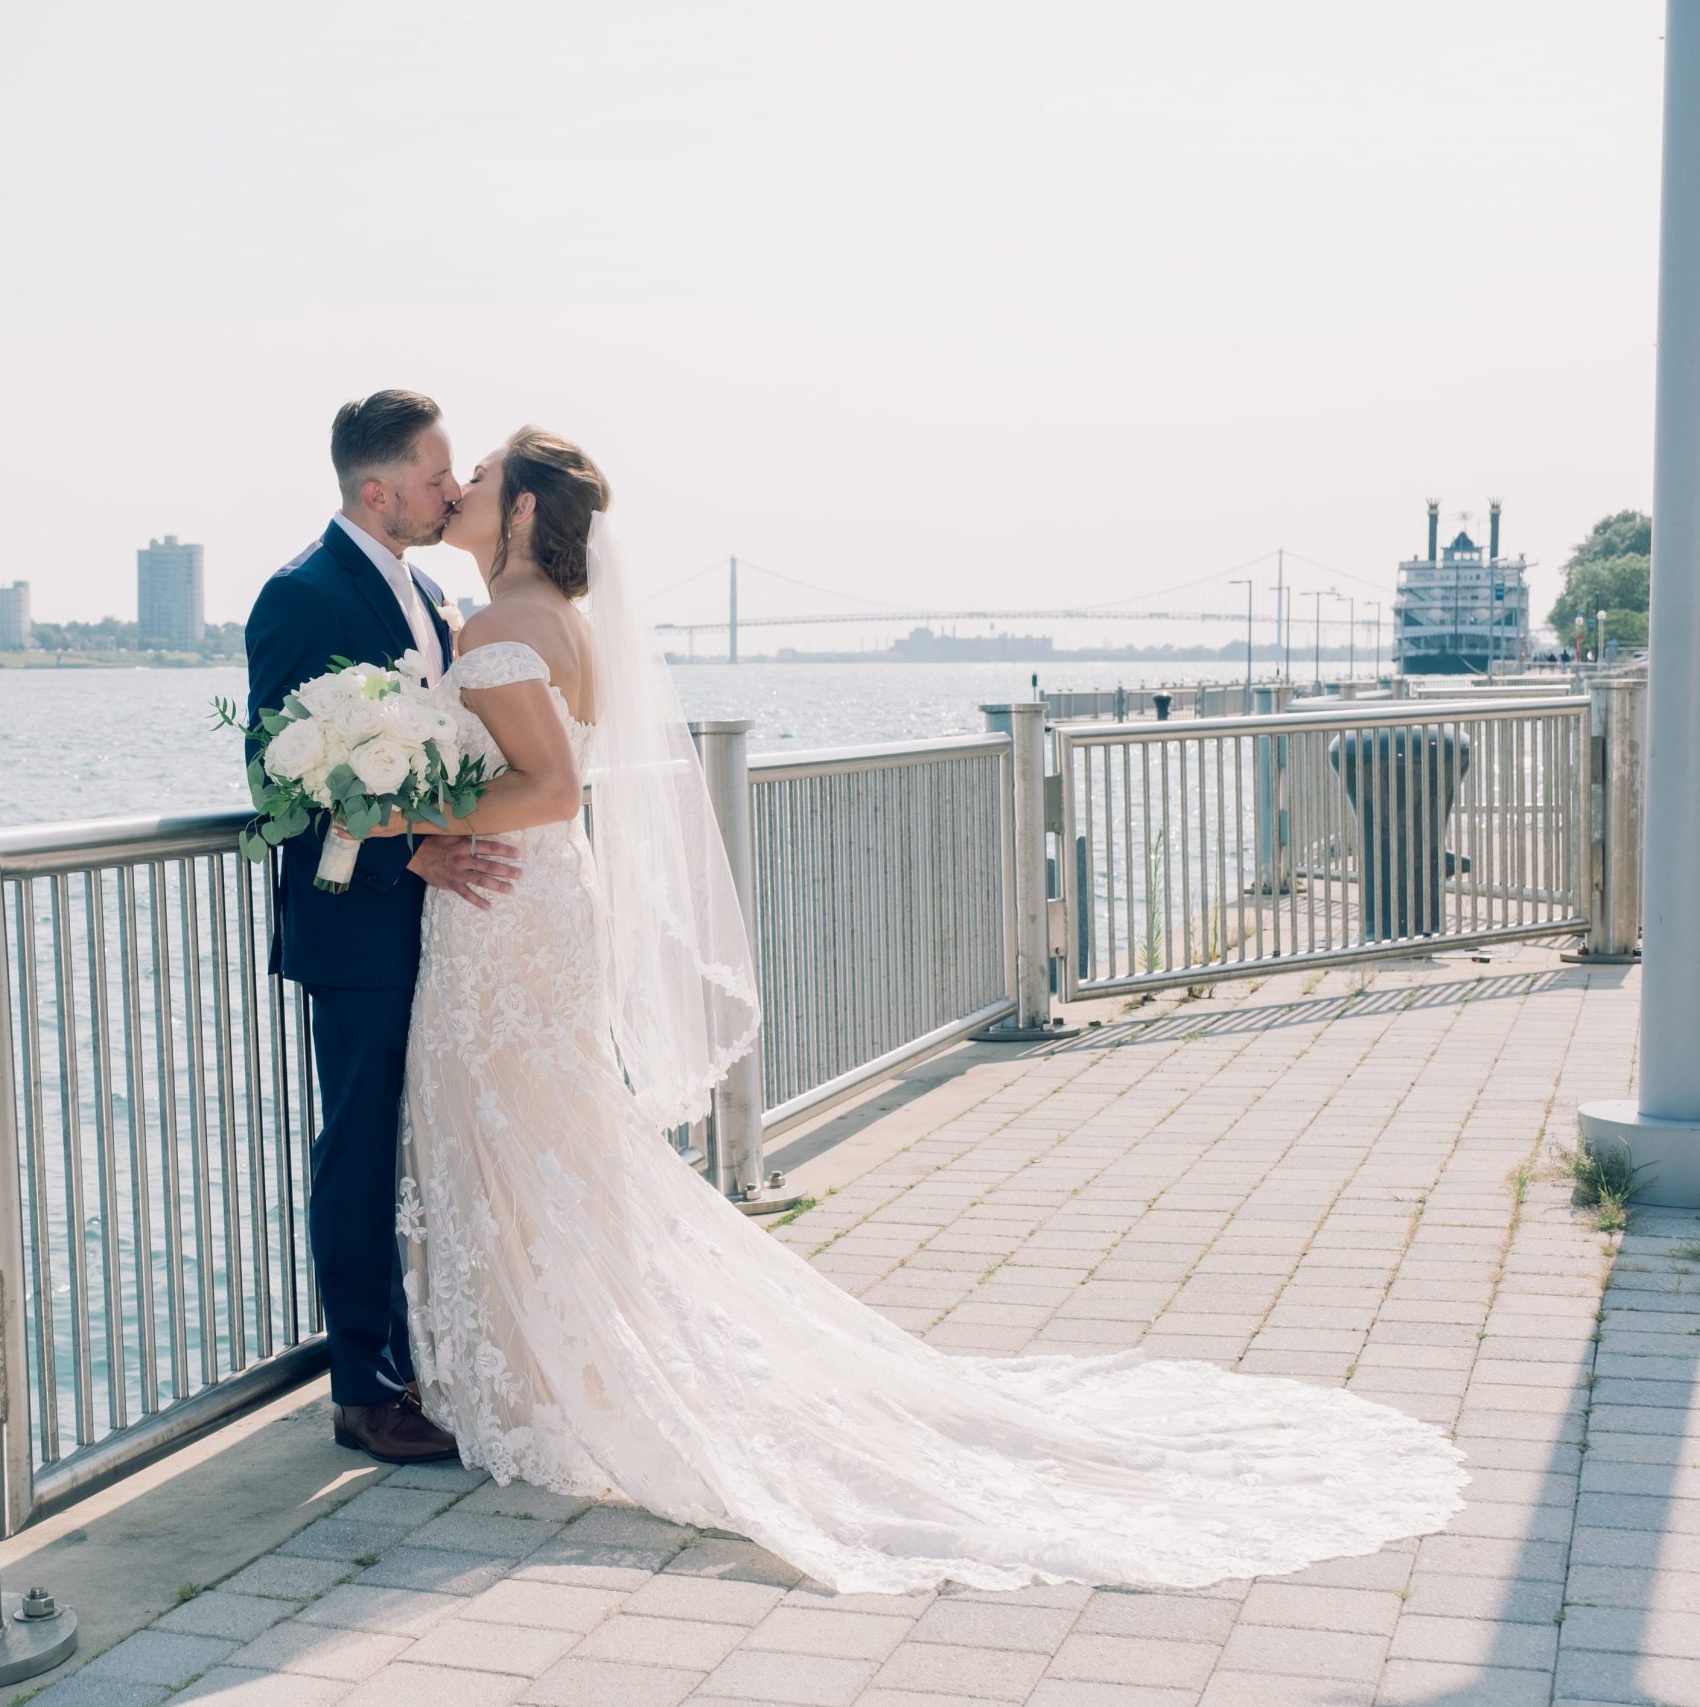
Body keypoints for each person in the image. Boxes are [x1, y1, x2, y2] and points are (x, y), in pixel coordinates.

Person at [382, 424, 1469, 1592]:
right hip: (539, 907)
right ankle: (550, 1365)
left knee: (516, 1129)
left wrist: (401, 823)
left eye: (482, 477)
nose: (463, 490)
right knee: (550, 1138)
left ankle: (535, 1376)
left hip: (504, 906)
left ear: (531, 511)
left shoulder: (501, 626)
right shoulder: (565, 627)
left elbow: (542, 788)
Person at [242, 390, 522, 1464]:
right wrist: (410, 848)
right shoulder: (301, 596)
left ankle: (428, 1354)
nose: (453, 491)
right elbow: (280, 776)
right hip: (358, 929)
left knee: (428, 1144)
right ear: (379, 489)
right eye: (437, 476)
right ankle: (363, 1390)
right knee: (359, 1151)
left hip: (444, 923)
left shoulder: (433, 588)